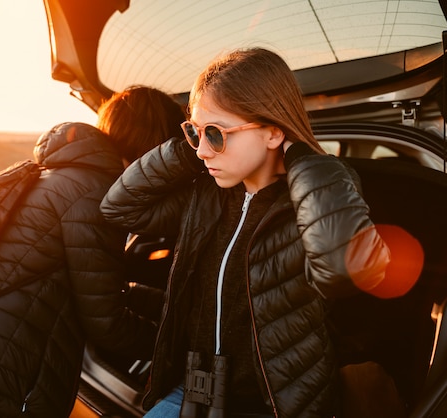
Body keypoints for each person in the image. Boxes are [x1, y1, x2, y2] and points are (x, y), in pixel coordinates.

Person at [100, 48, 392, 418]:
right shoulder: (207, 197)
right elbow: (119, 207)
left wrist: (304, 160)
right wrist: (190, 149)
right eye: (194, 131)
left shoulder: (311, 198)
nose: (204, 150)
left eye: (217, 135)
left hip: (272, 404)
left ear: (273, 132)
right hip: (193, 395)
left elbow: (346, 269)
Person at [0, 85, 185, 418]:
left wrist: (171, 307)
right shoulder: (93, 193)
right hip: (1, 378)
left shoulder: (63, 175)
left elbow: (102, 286)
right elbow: (107, 322)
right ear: (153, 144)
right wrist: (183, 347)